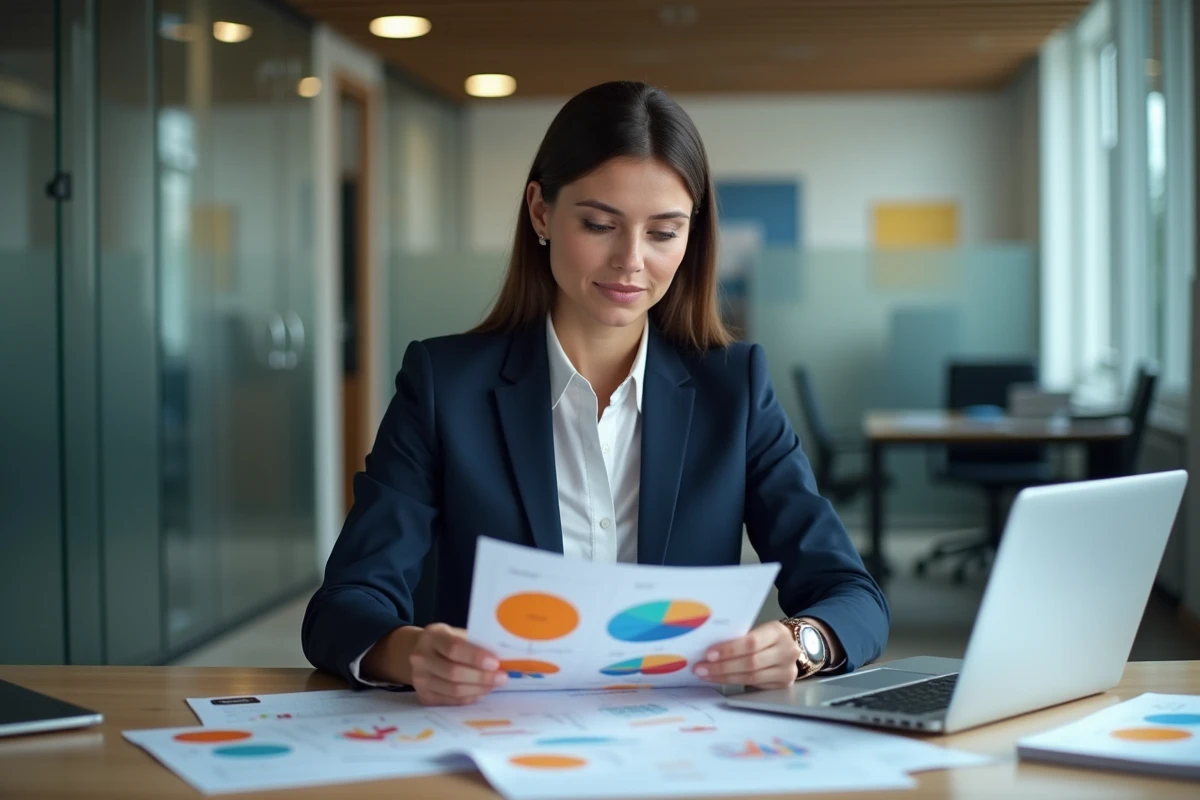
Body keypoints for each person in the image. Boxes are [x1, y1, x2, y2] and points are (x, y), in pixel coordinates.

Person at [302, 80, 889, 706]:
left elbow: (853, 596)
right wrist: (410, 652)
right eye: (599, 224)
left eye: (663, 233)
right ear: (540, 213)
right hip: (495, 737)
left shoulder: (733, 388)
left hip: (680, 742)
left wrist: (803, 642)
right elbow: (344, 605)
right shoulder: (445, 385)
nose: (631, 260)